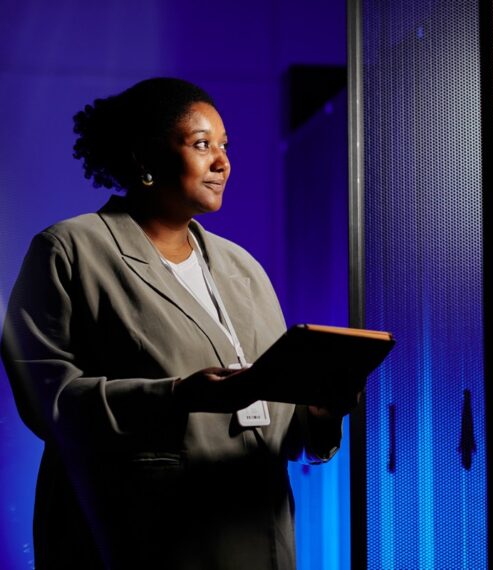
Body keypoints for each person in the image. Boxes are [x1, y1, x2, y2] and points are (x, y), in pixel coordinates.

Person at [1, 78, 352, 569]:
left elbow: (282, 432)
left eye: (225, 146)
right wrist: (178, 396)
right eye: (201, 144)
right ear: (145, 157)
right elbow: (47, 400)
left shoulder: (243, 268)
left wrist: (319, 412)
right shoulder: (70, 250)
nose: (222, 162)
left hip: (256, 531)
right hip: (143, 536)